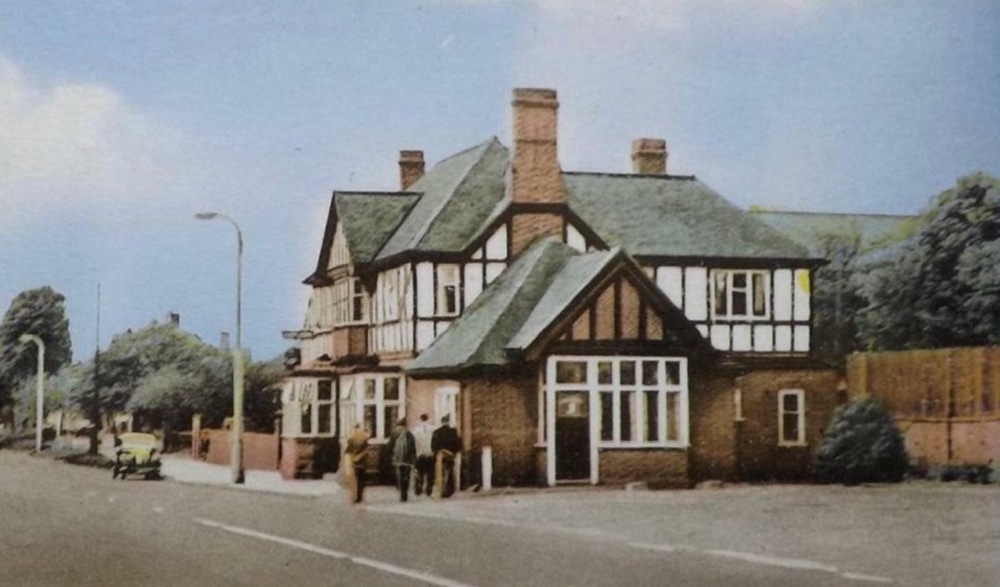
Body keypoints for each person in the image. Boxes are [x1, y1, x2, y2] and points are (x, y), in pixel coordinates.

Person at [431, 414, 462, 498]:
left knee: (439, 473)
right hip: (450, 454)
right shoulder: (453, 432)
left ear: (442, 422)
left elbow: (433, 445)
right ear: (448, 422)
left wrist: (435, 453)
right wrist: (455, 453)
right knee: (450, 472)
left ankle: (441, 489)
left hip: (440, 455)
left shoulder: (437, 432)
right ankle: (448, 490)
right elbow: (458, 444)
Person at [388, 417, 417, 502]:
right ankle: (405, 494)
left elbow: (390, 446)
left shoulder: (394, 434)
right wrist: (413, 458)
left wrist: (391, 457)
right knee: (406, 476)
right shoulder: (409, 435)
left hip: (397, 460)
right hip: (407, 460)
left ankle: (401, 493)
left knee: (400, 476)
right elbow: (413, 448)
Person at [344, 424, 370, 504]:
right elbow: (367, 451)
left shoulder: (352, 440)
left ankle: (355, 497)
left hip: (354, 464)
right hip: (362, 463)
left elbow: (347, 452)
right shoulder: (364, 440)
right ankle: (360, 496)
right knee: (361, 481)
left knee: (355, 481)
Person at [412, 414, 435, 496]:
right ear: (428, 419)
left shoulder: (416, 430)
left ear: (420, 419)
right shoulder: (432, 429)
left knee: (420, 472)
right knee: (430, 473)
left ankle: (419, 487)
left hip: (420, 454)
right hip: (430, 454)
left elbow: (413, 443)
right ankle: (429, 489)